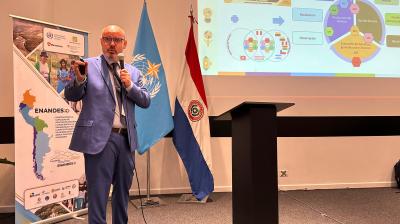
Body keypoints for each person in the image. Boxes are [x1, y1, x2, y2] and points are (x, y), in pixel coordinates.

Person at [64, 25, 151, 224]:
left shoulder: (133, 72)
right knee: (98, 193)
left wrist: (130, 86)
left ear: (124, 44)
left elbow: (146, 101)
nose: (112, 44)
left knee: (122, 193)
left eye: (117, 39)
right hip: (99, 138)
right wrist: (79, 79)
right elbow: (72, 94)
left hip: (126, 139)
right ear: (101, 41)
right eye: (108, 39)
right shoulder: (87, 65)